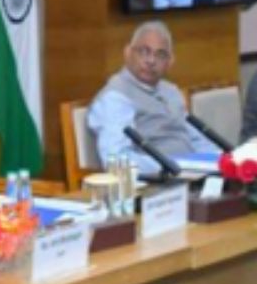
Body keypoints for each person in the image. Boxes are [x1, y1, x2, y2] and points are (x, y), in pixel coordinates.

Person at [87, 20, 216, 173]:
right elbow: (116, 160)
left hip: (193, 174)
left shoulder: (171, 91)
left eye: (160, 55)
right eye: (143, 51)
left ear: (170, 62)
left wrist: (222, 162)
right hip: (158, 180)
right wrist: (173, 165)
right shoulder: (115, 97)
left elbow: (196, 140)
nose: (151, 61)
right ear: (127, 53)